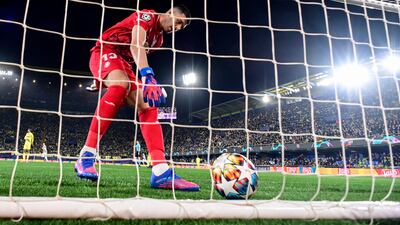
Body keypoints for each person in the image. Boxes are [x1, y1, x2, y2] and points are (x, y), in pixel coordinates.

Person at [74, 5, 199, 191]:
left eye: (182, 27)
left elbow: (134, 57)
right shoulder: (148, 16)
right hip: (104, 51)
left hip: (123, 65)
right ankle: (86, 156)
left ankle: (160, 171)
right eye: (179, 21)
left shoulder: (159, 40)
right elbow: (136, 45)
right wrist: (147, 75)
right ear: (170, 12)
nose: (178, 27)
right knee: (120, 85)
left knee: (148, 103)